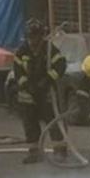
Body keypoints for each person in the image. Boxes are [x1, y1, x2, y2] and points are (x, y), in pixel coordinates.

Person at [13, 19, 67, 164]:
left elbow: (61, 66)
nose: (32, 40)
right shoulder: (21, 51)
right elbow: (18, 72)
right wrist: (26, 85)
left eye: (35, 36)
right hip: (28, 95)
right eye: (30, 37)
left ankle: (60, 151)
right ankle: (34, 153)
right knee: (30, 125)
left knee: (54, 122)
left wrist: (48, 80)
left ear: (41, 36)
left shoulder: (50, 49)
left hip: (46, 93)